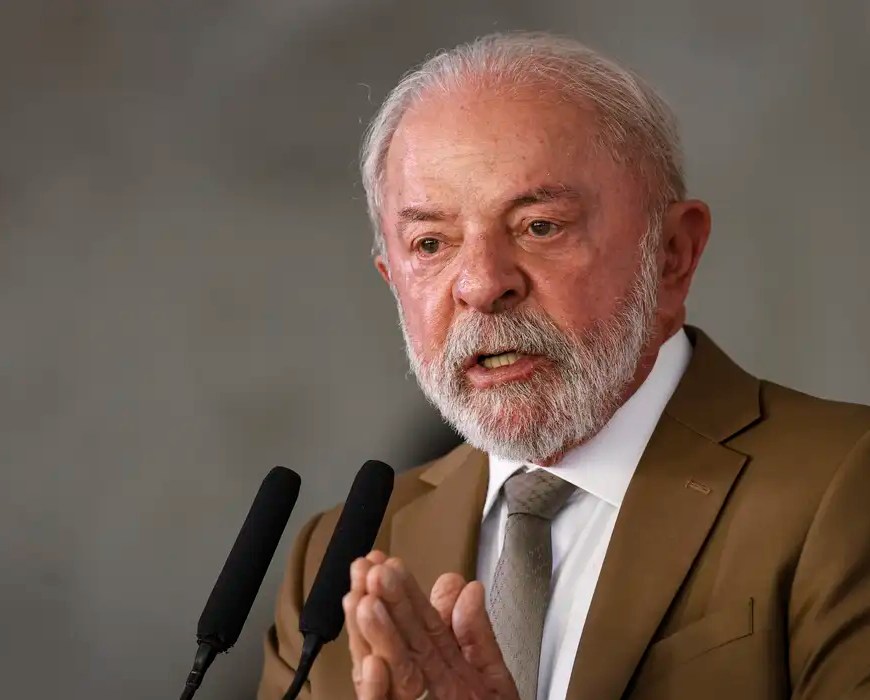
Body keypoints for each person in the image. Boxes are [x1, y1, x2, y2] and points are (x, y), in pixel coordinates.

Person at [258, 32, 870, 700]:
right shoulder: (333, 561)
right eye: (431, 244)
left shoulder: (845, 483)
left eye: (539, 226)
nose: (482, 285)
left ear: (672, 254)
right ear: (392, 280)